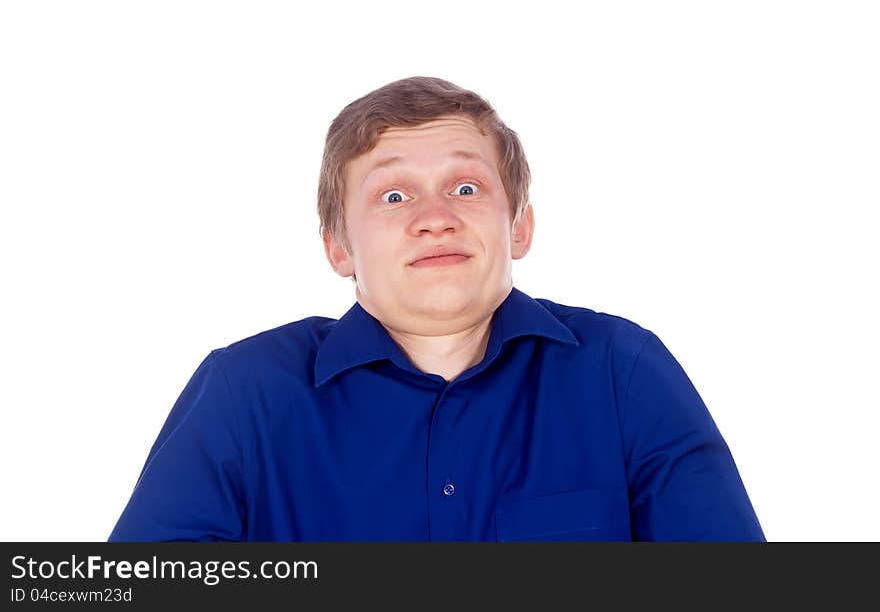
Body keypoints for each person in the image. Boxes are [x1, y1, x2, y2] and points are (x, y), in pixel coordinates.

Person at [108, 76, 765, 542]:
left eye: (466, 186)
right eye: (394, 196)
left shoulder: (624, 372)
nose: (435, 217)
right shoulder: (244, 393)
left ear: (520, 227)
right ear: (339, 246)